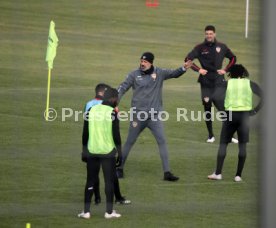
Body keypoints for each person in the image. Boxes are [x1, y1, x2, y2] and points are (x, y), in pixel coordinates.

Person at [116, 51, 192, 181]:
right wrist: (114, 103)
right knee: (130, 141)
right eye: (141, 61)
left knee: (162, 141)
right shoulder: (133, 75)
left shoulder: (160, 73)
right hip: (138, 116)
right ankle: (119, 168)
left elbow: (174, 73)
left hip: (154, 117)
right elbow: (122, 88)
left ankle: (167, 172)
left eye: (145, 62)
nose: (142, 64)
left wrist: (183, 68)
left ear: (151, 63)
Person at [207, 64, 262, 181]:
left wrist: (223, 111)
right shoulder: (250, 84)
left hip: (230, 115)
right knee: (242, 146)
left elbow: (215, 97)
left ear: (230, 74)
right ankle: (238, 175)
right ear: (243, 74)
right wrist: (255, 110)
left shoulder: (227, 83)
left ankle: (218, 173)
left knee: (223, 144)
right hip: (245, 116)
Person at [185, 25, 237, 143]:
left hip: (219, 82)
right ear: (205, 34)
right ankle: (210, 136)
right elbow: (187, 60)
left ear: (214, 34)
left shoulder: (222, 47)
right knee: (207, 109)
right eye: (207, 34)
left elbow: (233, 58)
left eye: (211, 33)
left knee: (224, 109)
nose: (209, 35)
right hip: (206, 83)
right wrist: (199, 69)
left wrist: (225, 69)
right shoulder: (199, 48)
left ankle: (231, 135)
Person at [78, 88, 123, 219]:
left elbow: (85, 133)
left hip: (92, 150)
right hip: (108, 151)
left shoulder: (91, 110)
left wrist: (84, 150)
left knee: (90, 180)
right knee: (108, 181)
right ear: (112, 98)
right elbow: (116, 135)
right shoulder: (112, 113)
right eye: (116, 98)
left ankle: (86, 212)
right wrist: (120, 153)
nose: (117, 100)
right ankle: (109, 212)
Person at [83, 83, 131, 206]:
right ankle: (116, 200)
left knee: (92, 175)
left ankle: (97, 199)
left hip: (91, 146)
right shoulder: (110, 107)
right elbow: (115, 130)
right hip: (106, 147)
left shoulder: (89, 105)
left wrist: (84, 148)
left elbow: (86, 127)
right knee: (110, 176)